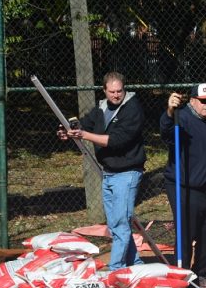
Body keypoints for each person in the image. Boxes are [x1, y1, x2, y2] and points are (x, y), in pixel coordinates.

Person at [58, 71, 146, 271]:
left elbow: (115, 141)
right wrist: (68, 131)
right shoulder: (102, 108)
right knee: (115, 223)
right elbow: (85, 123)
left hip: (127, 173)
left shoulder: (133, 109)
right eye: (112, 91)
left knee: (120, 222)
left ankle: (115, 268)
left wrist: (84, 135)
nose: (116, 95)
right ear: (105, 90)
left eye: (119, 91)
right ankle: (135, 263)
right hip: (109, 172)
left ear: (125, 89)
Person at [160, 83, 206, 288]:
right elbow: (167, 132)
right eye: (204, 101)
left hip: (204, 187)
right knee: (186, 232)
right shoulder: (182, 117)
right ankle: (182, 277)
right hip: (183, 185)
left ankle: (199, 275)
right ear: (193, 100)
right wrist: (169, 111)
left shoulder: (205, 124)